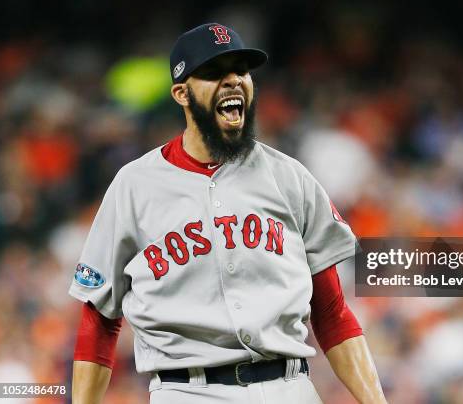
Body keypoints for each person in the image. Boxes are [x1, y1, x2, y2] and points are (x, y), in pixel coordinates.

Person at [69, 23, 387, 404]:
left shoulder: (289, 177)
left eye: (241, 70)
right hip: (186, 389)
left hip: (288, 387)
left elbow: (332, 311)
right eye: (215, 72)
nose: (234, 80)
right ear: (181, 92)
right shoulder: (134, 185)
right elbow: (99, 320)